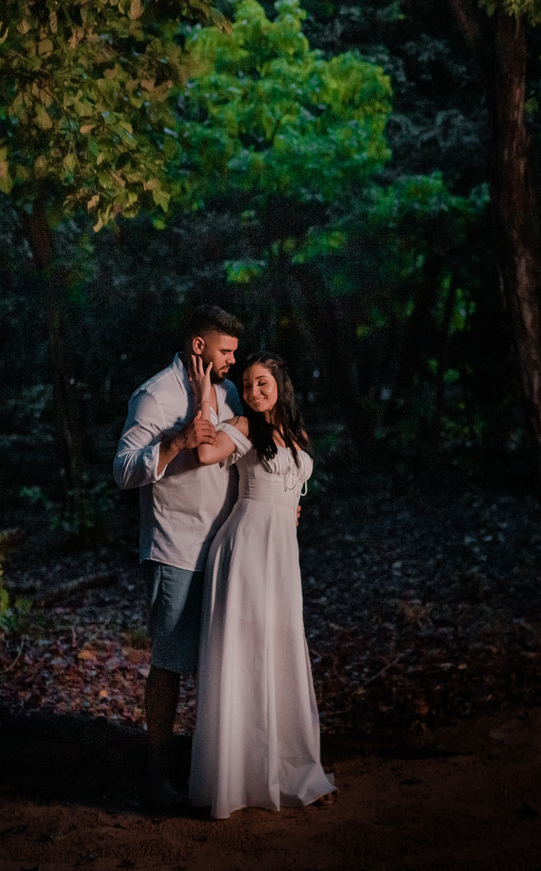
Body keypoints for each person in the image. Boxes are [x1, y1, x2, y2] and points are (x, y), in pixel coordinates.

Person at [186, 350, 336, 819]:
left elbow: (292, 485)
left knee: (282, 649)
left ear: (280, 385)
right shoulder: (245, 427)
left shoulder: (295, 433)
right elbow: (207, 452)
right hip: (246, 548)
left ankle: (291, 767)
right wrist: (203, 396)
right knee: (247, 652)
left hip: (281, 555)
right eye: (247, 384)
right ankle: (239, 776)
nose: (252, 392)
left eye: (261, 384)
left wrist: (292, 510)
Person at [112, 303, 245, 810]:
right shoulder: (155, 395)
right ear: (198, 347)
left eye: (234, 352)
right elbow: (123, 471)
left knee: (218, 664)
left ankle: (211, 770)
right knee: (169, 664)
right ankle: (156, 777)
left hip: (226, 547)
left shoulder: (229, 393)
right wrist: (175, 442)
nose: (232, 360)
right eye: (225, 350)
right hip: (175, 549)